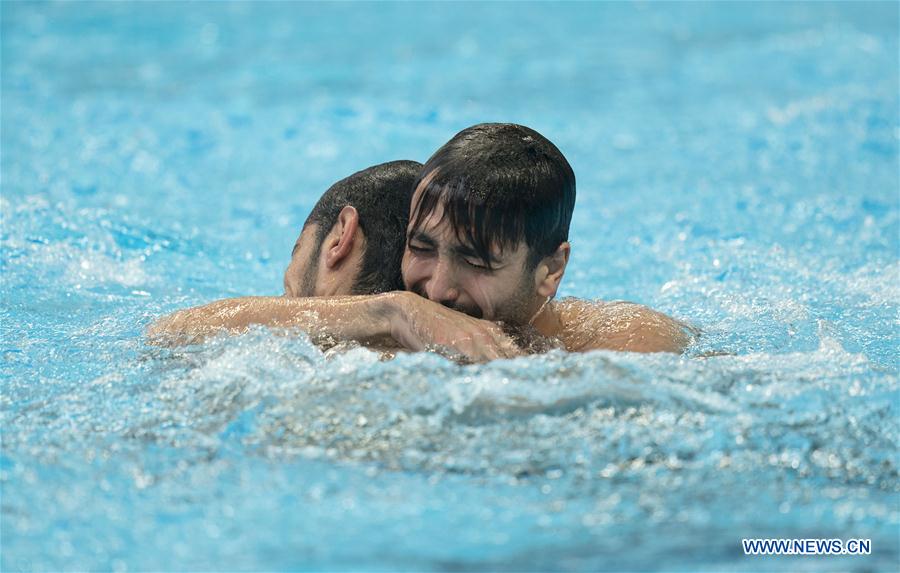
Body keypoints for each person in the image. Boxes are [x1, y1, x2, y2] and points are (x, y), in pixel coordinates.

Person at [149, 124, 689, 360]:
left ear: (550, 270)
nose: (438, 289)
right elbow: (170, 333)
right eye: (423, 249)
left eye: (476, 261)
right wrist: (388, 310)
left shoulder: (623, 342)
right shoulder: (398, 328)